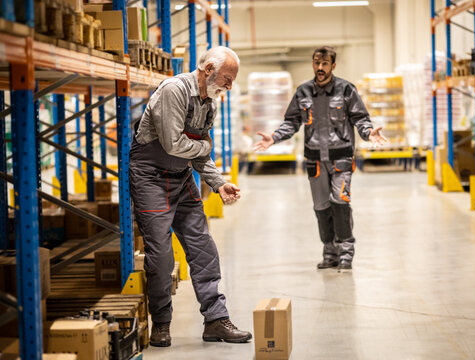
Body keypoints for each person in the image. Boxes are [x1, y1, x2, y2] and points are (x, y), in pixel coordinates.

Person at [129, 46, 252, 347]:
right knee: (160, 256)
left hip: (181, 178)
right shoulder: (174, 90)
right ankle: (160, 322)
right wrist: (204, 148)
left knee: (203, 248)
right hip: (151, 178)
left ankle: (215, 320)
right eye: (227, 78)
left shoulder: (209, 102)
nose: (229, 86)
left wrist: (218, 183)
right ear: (209, 69)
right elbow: (173, 144)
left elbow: (195, 149)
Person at [254, 46, 387, 271]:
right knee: (321, 207)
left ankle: (346, 251)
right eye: (317, 63)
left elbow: (360, 118)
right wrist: (274, 137)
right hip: (315, 160)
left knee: (340, 203)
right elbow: (292, 121)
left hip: (341, 157)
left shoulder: (346, 90)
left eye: (325, 64)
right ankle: (330, 252)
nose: (320, 68)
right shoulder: (303, 92)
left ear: (333, 66)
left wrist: (368, 133)